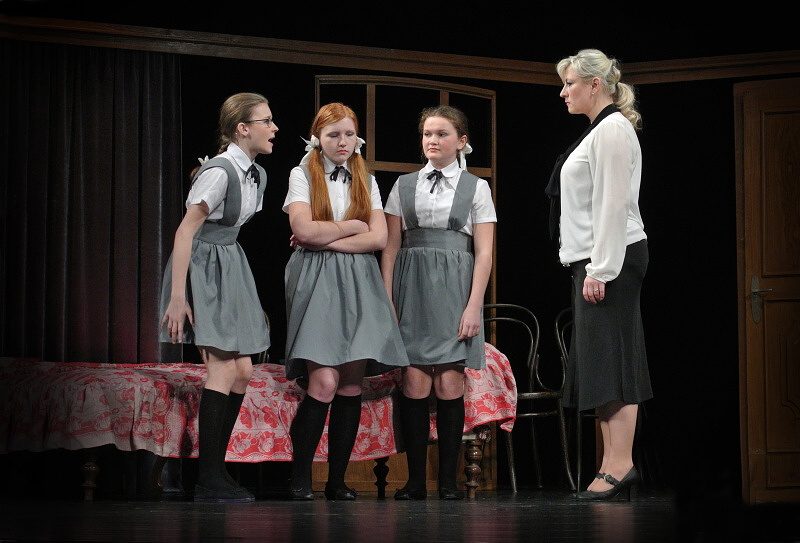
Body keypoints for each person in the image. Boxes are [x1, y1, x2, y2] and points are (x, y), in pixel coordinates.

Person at [283, 102, 409, 501]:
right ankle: (299, 477)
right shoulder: (302, 174)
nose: (342, 142)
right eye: (333, 134)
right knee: (323, 381)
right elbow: (302, 230)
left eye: (349, 134)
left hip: (359, 279)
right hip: (316, 278)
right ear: (317, 138)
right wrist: (352, 226)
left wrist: (325, 238)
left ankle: (337, 481)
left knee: (351, 384)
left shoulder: (365, 179)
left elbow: (379, 238)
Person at [545, 48, 652, 501]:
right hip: (596, 260)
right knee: (601, 362)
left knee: (616, 358)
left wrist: (602, 268)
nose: (563, 92)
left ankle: (621, 463)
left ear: (594, 84)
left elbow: (612, 203)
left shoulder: (612, 130)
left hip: (612, 259)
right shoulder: (599, 130)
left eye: (569, 83)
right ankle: (611, 463)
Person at [159, 92, 277, 502]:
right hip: (202, 266)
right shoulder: (220, 171)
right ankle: (207, 477)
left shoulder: (257, 175)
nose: (274, 128)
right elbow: (185, 232)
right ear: (243, 128)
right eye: (266, 121)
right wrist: (179, 297)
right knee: (224, 369)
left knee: (243, 371)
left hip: (229, 262)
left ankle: (217, 470)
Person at [381, 105, 496, 500]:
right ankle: (415, 481)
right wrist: (387, 299)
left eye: (442, 134)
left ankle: (447, 481)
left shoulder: (476, 187)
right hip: (411, 288)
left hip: (455, 291)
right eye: (427, 133)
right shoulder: (403, 185)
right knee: (414, 381)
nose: (432, 140)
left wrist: (473, 306)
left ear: (461, 141)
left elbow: (484, 253)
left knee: (449, 382)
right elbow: (390, 248)